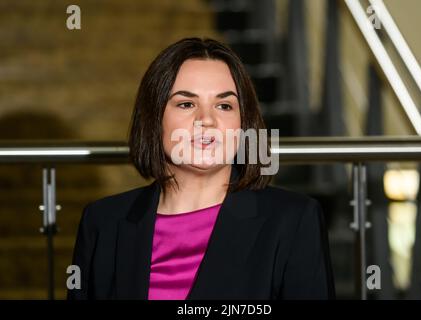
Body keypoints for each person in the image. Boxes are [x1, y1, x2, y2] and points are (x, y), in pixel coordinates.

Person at [67, 37, 335, 300]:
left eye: (224, 105)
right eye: (186, 104)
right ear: (154, 118)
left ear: (243, 125)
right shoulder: (102, 221)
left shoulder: (293, 220)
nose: (206, 120)